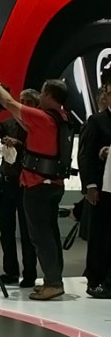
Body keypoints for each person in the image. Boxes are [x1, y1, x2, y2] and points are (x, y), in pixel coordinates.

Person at [0, 77, 69, 301]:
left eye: (42, 93)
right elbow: (24, 122)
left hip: (37, 184)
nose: (40, 96)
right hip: (54, 184)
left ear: (49, 95)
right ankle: (54, 279)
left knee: (41, 236)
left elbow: (9, 103)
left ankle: (53, 283)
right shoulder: (61, 118)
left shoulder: (43, 117)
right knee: (50, 234)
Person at [0, 89, 39, 287]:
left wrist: (19, 144)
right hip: (7, 183)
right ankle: (10, 271)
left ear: (36, 105)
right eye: (21, 101)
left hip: (27, 183)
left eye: (28, 102)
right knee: (6, 229)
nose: (23, 105)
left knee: (27, 231)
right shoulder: (9, 123)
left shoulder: (38, 125)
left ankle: (29, 273)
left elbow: (38, 149)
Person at [78, 80, 111, 298]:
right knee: (100, 234)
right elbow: (86, 154)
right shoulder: (97, 121)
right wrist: (90, 185)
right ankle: (95, 277)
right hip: (103, 188)